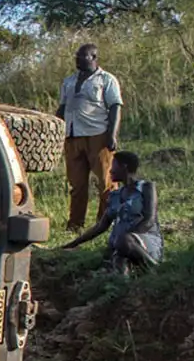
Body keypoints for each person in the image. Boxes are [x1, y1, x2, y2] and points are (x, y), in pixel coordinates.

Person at [56, 43, 124, 232]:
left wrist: (112, 134)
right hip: (72, 135)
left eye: (82, 56)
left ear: (93, 57)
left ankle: (104, 223)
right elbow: (62, 107)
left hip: (97, 135)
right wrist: (55, 128)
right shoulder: (69, 81)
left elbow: (115, 107)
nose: (77, 59)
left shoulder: (107, 80)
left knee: (106, 182)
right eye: (76, 56)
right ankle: (75, 224)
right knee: (77, 185)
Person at [61, 151, 162, 275]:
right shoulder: (115, 195)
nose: (110, 170)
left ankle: (154, 268)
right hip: (121, 246)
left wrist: (128, 239)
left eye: (113, 165)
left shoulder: (146, 187)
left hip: (144, 242)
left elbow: (149, 220)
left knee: (123, 242)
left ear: (124, 166)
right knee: (119, 264)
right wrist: (72, 244)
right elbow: (101, 226)